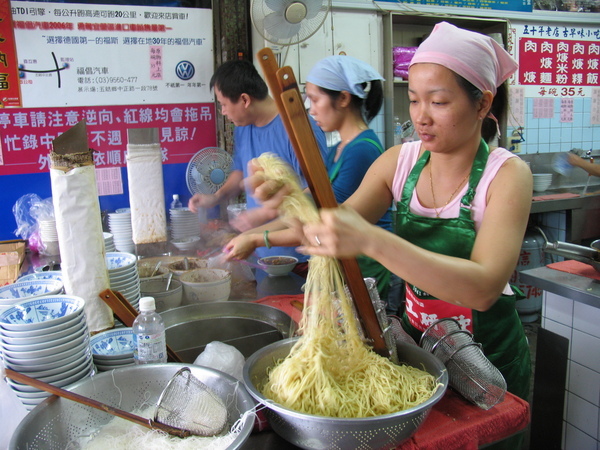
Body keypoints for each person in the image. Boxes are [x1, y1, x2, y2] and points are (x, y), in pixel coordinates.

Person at [249, 22, 532, 407]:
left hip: (490, 368)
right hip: (420, 358)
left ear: (482, 103)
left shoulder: (507, 175)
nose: (421, 117)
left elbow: (483, 289)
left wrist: (371, 240)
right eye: (414, 100)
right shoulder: (399, 162)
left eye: (439, 102)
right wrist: (290, 203)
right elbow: (327, 232)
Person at [224, 55, 398, 306]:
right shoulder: (340, 147)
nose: (310, 107)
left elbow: (321, 222)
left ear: (343, 98)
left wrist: (255, 236)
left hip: (369, 274)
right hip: (348, 269)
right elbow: (309, 207)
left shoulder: (362, 151)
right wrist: (257, 227)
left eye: (315, 98)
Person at [188, 59, 328, 273]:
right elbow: (239, 171)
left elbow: (318, 192)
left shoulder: (298, 129)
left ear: (244, 99)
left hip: (301, 256)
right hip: (261, 252)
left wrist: (265, 213)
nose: (223, 111)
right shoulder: (244, 127)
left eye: (224, 104)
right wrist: (216, 196)